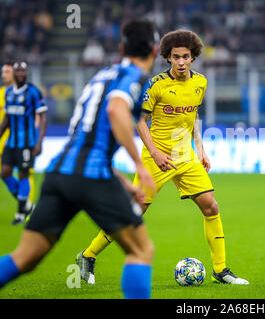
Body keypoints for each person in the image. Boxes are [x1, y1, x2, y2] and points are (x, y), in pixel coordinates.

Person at [0, 19, 159, 299]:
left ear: (121, 47)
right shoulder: (135, 78)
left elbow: (87, 141)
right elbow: (115, 109)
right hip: (91, 176)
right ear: (155, 50)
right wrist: (138, 164)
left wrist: (123, 183)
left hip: (60, 173)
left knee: (26, 257)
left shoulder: (101, 76)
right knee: (141, 250)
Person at [77, 29, 249, 285]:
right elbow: (140, 121)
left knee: (211, 206)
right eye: (176, 57)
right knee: (135, 211)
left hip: (186, 155)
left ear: (193, 57)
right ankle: (88, 255)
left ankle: (221, 270)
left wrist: (200, 148)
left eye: (186, 57)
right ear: (168, 58)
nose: (181, 62)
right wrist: (155, 153)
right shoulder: (155, 85)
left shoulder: (200, 82)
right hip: (156, 156)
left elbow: (193, 116)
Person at [0, 61, 46, 225]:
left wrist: (39, 141)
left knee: (23, 174)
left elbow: (43, 117)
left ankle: (21, 212)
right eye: (17, 71)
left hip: (27, 142)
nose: (20, 74)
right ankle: (25, 204)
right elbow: (7, 117)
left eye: (22, 71)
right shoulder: (8, 93)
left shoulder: (34, 92)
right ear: (14, 73)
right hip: (11, 142)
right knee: (4, 172)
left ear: (27, 73)